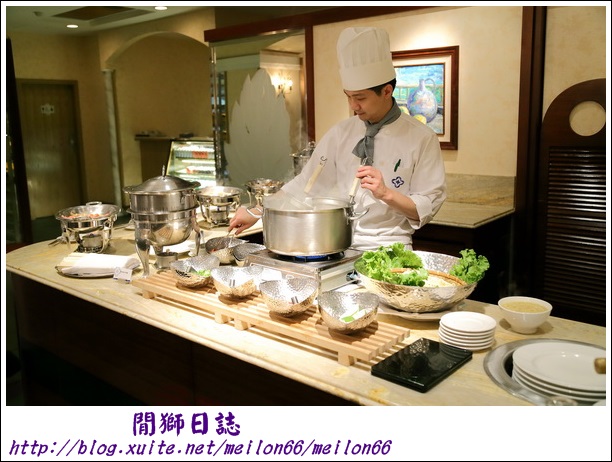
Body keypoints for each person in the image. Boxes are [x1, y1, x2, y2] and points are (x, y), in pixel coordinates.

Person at [229, 26, 446, 250]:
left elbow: (426, 207)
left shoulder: (421, 138)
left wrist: (386, 193)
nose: (353, 106)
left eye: (360, 98)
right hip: (338, 245)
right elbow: (305, 185)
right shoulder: (341, 132)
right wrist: (257, 211)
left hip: (389, 248)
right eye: (348, 97)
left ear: (387, 91)